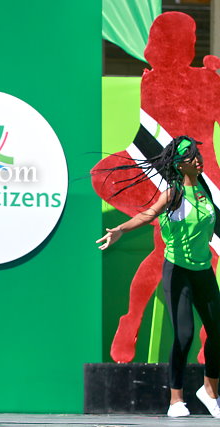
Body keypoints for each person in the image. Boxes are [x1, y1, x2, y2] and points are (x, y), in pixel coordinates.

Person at [96, 136, 220, 418]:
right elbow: (146, 215)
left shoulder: (204, 188)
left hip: (203, 271)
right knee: (185, 336)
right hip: (178, 272)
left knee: (217, 333)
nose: (198, 160)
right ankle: (176, 400)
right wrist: (121, 230)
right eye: (190, 156)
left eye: (198, 154)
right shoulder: (173, 194)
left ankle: (210, 392)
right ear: (179, 164)